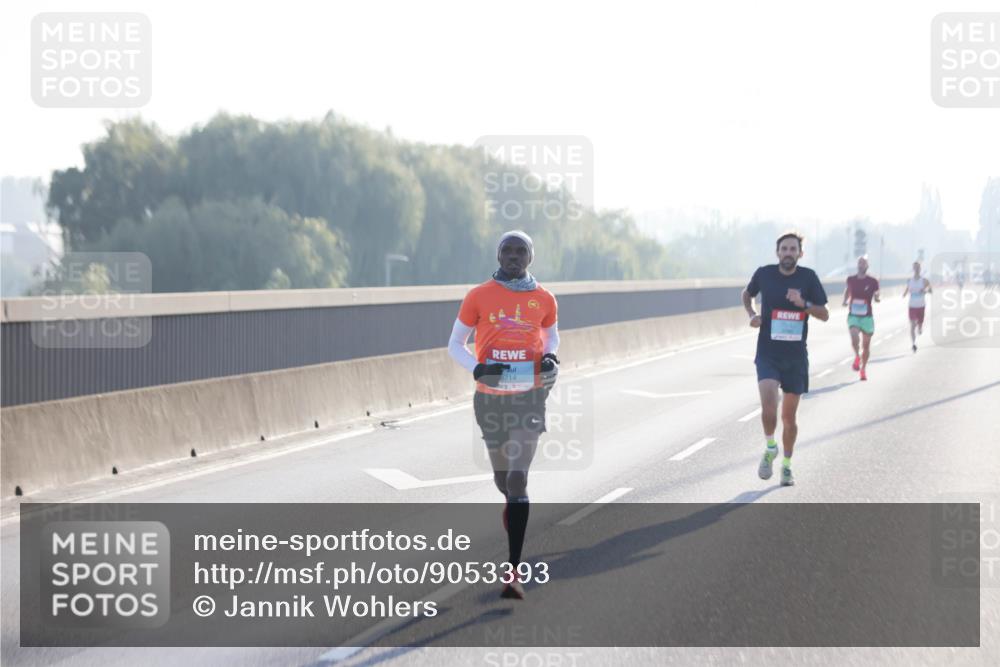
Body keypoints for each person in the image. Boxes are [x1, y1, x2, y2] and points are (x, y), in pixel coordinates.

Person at [447, 230, 559, 600]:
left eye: (520, 251)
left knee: (517, 479)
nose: (513, 256)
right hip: (490, 398)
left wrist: (549, 357)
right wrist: (477, 368)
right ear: (498, 256)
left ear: (531, 257)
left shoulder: (544, 299)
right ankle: (512, 506)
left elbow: (551, 336)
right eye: (507, 251)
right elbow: (455, 344)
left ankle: (513, 571)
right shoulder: (478, 296)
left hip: (529, 396)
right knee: (502, 481)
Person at [742, 232, 829, 487]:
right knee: (769, 408)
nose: (788, 253)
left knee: (789, 419)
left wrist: (803, 304)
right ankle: (771, 447)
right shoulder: (764, 274)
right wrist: (751, 314)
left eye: (793, 249)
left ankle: (787, 465)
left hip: (795, 357)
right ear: (777, 252)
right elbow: (746, 294)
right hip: (768, 353)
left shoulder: (808, 278)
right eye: (784, 249)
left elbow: (824, 313)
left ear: (800, 254)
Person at [842, 256, 880, 381]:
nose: (861, 265)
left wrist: (877, 297)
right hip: (853, 315)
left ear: (867, 266)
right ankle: (857, 357)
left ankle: (863, 369)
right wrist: (845, 300)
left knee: (866, 346)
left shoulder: (873, 281)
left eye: (863, 263)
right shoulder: (851, 279)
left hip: (867, 317)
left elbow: (877, 292)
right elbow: (848, 290)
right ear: (857, 265)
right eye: (859, 263)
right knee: (854, 337)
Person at [901, 261, 932, 353]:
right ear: (913, 269)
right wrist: (905, 294)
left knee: (919, 325)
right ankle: (913, 344)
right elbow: (907, 289)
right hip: (912, 306)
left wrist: (925, 290)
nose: (917, 269)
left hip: (921, 306)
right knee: (912, 324)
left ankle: (920, 327)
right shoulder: (909, 280)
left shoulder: (924, 280)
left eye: (918, 267)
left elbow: (930, 290)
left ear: (920, 269)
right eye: (915, 267)